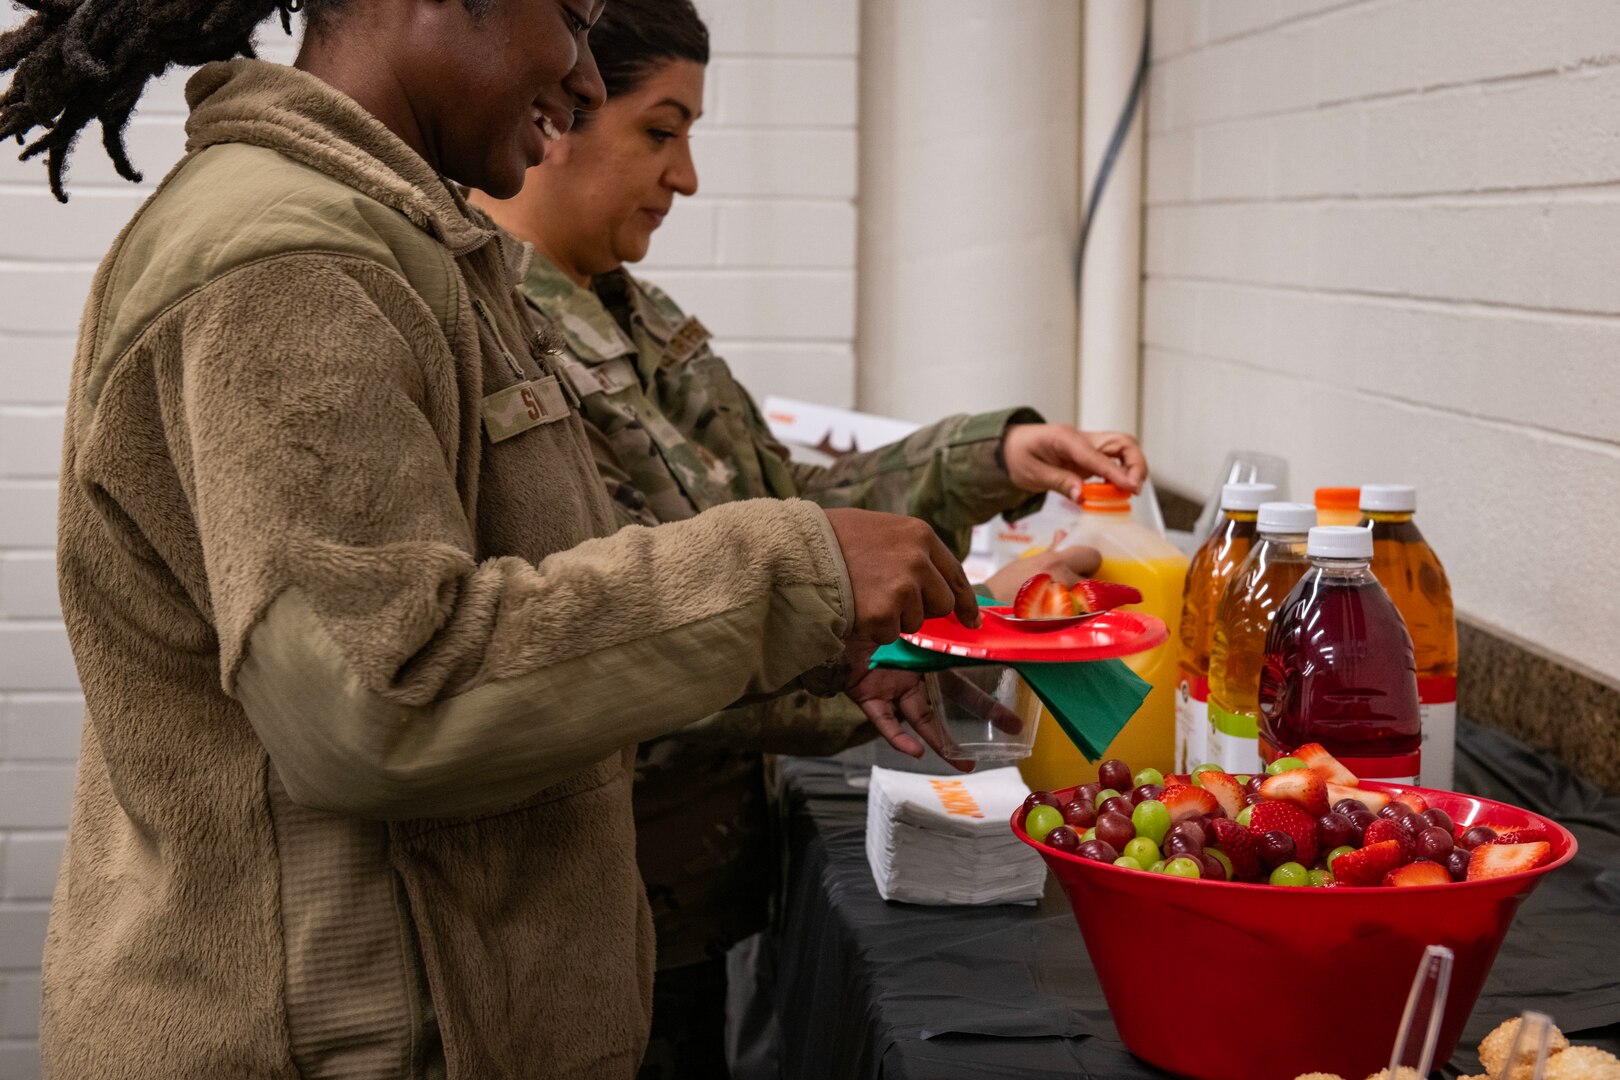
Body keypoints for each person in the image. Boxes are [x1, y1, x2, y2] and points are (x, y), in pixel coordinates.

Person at [0, 1, 991, 1076]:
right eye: (569, 15)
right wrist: (788, 573)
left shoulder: (407, 243)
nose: (581, 75)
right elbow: (384, 696)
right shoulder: (293, 260)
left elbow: (534, 597)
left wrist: (808, 609)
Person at [468, 3, 1149, 1074]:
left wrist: (991, 457)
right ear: (562, 111)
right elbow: (631, 638)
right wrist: (929, 641)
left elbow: (794, 510)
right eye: (661, 129)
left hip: (689, 894)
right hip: (574, 916)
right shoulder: (495, 342)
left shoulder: (634, 317)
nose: (685, 176)